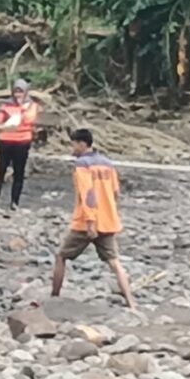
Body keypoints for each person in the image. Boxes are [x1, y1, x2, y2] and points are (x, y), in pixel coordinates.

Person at [52, 129, 136, 309]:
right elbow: (115, 193)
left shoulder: (82, 165)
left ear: (82, 144)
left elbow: (87, 194)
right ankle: (131, 302)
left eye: (73, 143)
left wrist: (90, 222)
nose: (72, 147)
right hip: (108, 221)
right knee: (114, 262)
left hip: (86, 223)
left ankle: (54, 297)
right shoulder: (107, 164)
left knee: (61, 256)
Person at [0, 78, 40, 209]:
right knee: (0, 169)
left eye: (21, 92)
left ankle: (14, 201)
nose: (18, 95)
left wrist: (21, 110)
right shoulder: (6, 105)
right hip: (5, 140)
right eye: (16, 92)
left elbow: (30, 119)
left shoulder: (31, 105)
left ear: (25, 92)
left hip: (22, 141)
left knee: (19, 171)